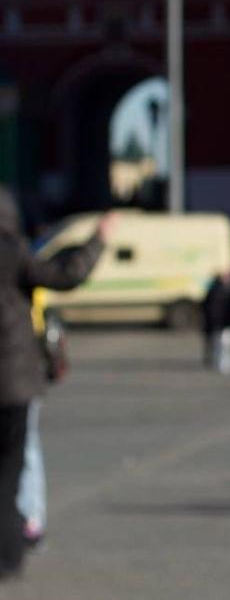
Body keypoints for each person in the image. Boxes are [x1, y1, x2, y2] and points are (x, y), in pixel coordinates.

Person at [0, 188, 113, 580]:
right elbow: (67, 274)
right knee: (15, 464)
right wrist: (98, 239)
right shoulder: (15, 255)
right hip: (15, 383)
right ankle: (15, 546)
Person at [202, 269, 230, 372]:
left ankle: (220, 363)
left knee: (220, 344)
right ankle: (224, 365)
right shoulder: (226, 291)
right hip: (223, 322)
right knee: (225, 345)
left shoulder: (214, 290)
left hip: (217, 322)